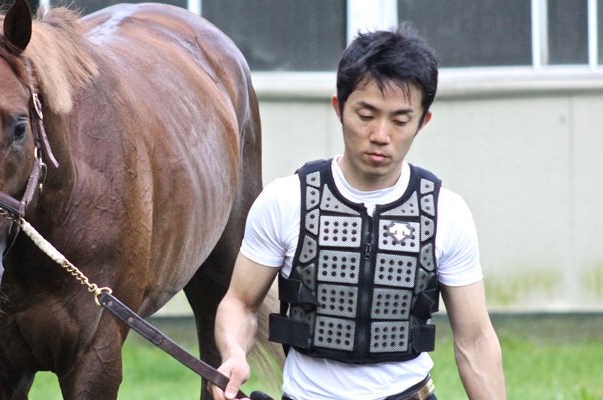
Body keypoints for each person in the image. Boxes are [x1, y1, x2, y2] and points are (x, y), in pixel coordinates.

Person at [212, 27, 506, 400]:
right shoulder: (286, 201)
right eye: (366, 115)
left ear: (422, 122)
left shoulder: (446, 213)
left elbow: (475, 340)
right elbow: (240, 302)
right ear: (339, 108)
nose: (380, 134)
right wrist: (234, 353)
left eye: (400, 120)